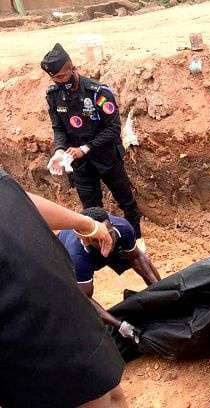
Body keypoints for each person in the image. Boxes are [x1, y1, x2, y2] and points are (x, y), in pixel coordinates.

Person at [0, 168, 128, 407]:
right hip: (19, 318)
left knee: (109, 392)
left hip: (55, 298)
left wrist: (83, 222)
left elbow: (13, 195)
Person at [41, 43, 143, 240]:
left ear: (72, 68)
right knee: (91, 209)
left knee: (126, 201)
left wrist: (86, 148)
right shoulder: (54, 96)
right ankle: (101, 244)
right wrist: (60, 150)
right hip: (80, 164)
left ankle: (136, 242)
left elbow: (113, 129)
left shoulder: (98, 93)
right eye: (54, 78)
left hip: (107, 158)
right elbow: (59, 128)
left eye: (62, 76)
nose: (59, 81)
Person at [58, 206, 161, 329]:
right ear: (88, 240)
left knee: (140, 259)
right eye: (100, 239)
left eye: (109, 234)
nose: (108, 240)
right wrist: (119, 325)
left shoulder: (123, 228)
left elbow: (137, 258)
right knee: (73, 300)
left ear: (112, 226)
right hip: (78, 257)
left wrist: (161, 291)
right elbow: (85, 298)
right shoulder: (77, 255)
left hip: (110, 250)